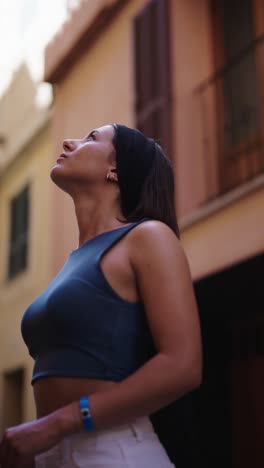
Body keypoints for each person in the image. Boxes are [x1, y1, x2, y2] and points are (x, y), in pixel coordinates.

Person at [0, 124, 202, 467]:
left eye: (90, 138)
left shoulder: (148, 237)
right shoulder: (71, 262)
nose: (68, 142)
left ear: (115, 170)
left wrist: (58, 422)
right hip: (51, 455)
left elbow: (183, 365)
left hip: (113, 451)